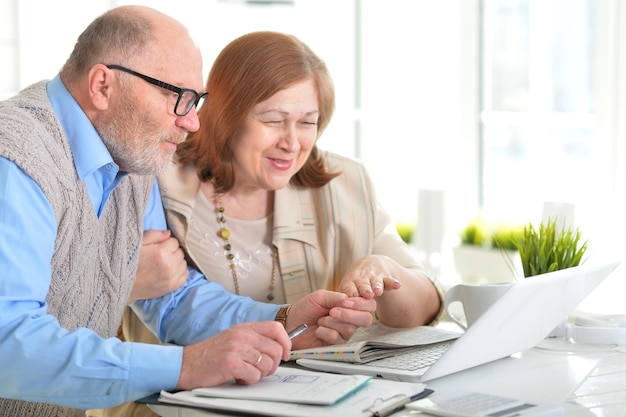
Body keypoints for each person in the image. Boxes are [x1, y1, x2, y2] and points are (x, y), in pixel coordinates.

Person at [0, 8, 377, 417]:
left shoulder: (131, 154)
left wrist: (282, 320)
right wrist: (187, 366)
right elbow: (8, 341)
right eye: (176, 96)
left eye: (196, 100)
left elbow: (172, 300)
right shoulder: (16, 159)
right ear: (102, 85)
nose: (193, 122)